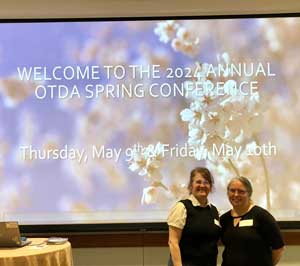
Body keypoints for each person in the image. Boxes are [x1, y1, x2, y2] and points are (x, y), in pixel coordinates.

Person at [220, 176, 284, 266]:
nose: (236, 194)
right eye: (232, 190)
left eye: (241, 191)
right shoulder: (224, 219)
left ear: (249, 194)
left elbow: (279, 248)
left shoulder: (262, 216)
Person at [167, 167, 221, 266]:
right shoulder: (182, 207)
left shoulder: (214, 211)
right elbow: (173, 242)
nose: (202, 185)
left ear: (210, 186)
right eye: (198, 182)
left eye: (206, 182)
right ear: (191, 185)